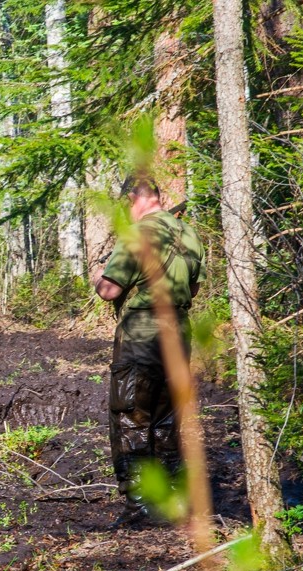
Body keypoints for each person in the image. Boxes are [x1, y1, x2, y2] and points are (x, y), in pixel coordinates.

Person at [92, 176, 204, 523]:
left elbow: (110, 290)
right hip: (179, 334)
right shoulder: (188, 234)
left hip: (142, 334)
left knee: (131, 416)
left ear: (132, 200)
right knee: (167, 418)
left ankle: (140, 505)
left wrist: (97, 274)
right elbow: (194, 287)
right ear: (159, 196)